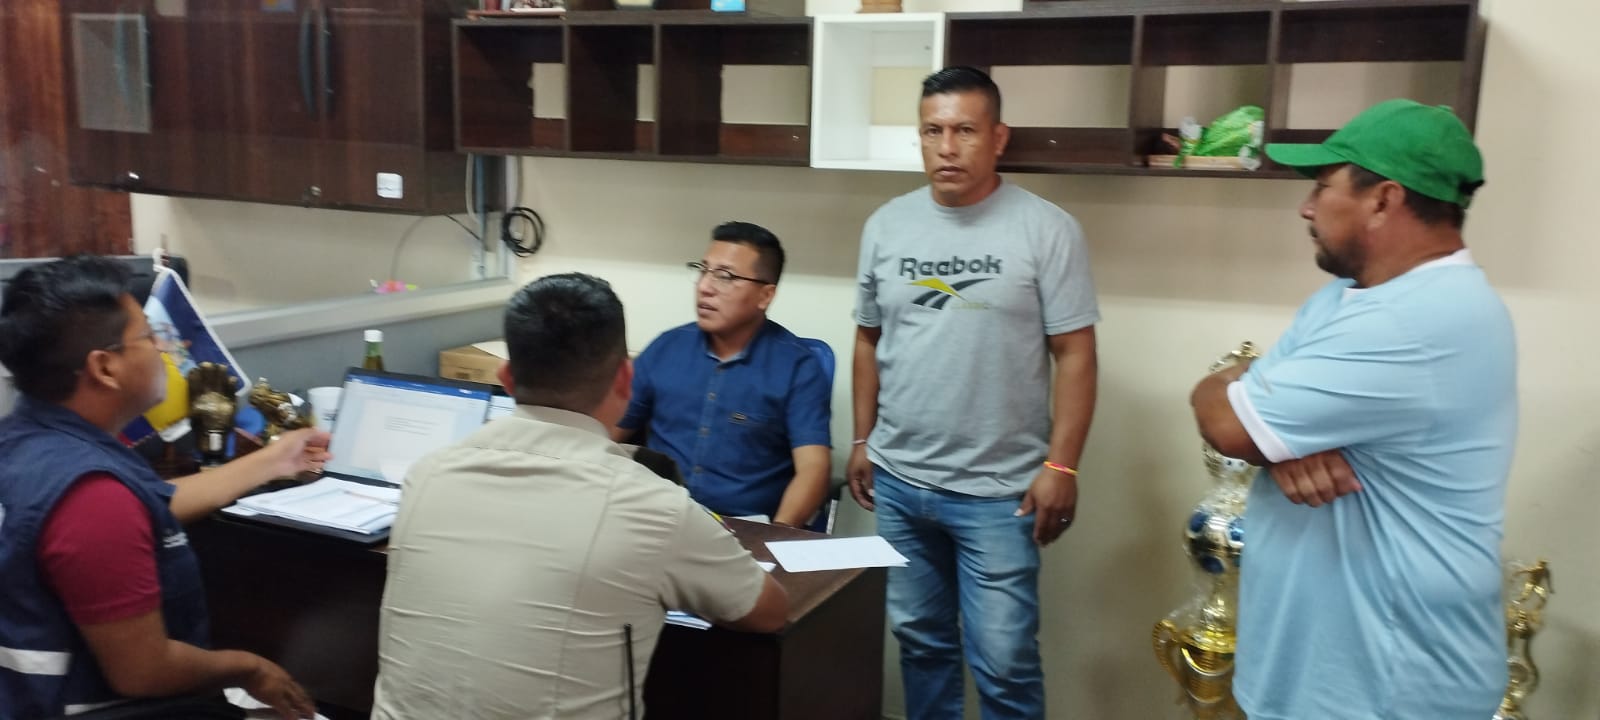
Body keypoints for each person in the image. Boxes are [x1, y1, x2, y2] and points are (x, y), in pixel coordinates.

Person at [1189, 99, 1514, 719]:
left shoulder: (1414, 320)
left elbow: (1228, 424)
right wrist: (1268, 432)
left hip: (1383, 687)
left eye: (1322, 185)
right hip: (1324, 671)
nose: (1307, 208)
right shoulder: (1351, 297)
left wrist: (1242, 408)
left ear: (1384, 200)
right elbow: (1240, 414)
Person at [373, 273, 788, 720]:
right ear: (625, 379)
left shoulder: (426, 475)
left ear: (506, 378)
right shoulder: (653, 506)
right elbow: (768, 611)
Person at [848, 66, 1100, 719]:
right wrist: (862, 438)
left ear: (998, 138)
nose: (947, 147)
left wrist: (1062, 466)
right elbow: (868, 340)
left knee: (1006, 663)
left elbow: (1076, 355)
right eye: (932, 131)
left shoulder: (1046, 229)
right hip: (900, 482)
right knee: (920, 644)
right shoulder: (886, 226)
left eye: (965, 130)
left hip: (999, 493)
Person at [0, 255, 329, 720]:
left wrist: (276, 459)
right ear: (105, 368)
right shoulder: (92, 496)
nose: (165, 350)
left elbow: (150, 507)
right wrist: (250, 668)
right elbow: (144, 672)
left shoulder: (28, 443)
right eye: (150, 337)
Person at [614, 221, 832, 528]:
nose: (705, 287)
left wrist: (773, 537)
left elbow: (814, 469)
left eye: (725, 276)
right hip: (659, 518)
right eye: (703, 270)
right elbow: (609, 433)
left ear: (765, 295)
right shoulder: (666, 348)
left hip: (745, 527)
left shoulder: (798, 367)